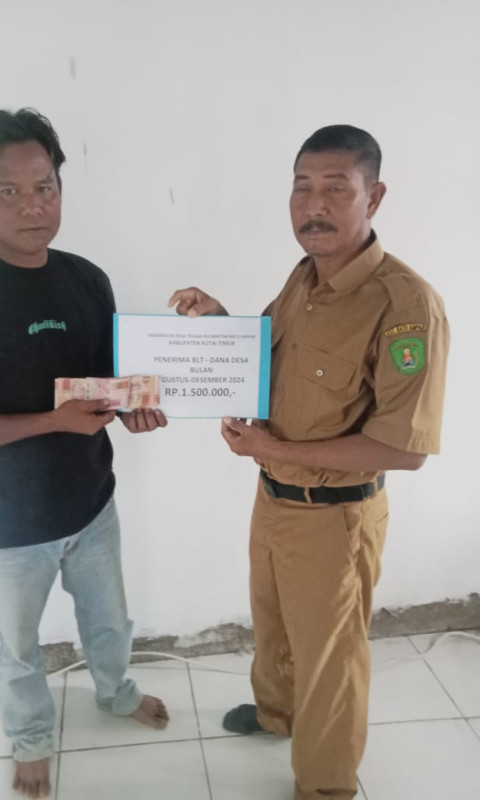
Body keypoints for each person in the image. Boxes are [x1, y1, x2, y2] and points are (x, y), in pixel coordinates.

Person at [168, 124, 449, 800]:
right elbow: (272, 359)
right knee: (273, 624)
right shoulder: (305, 277)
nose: (313, 205)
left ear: (373, 196)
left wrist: (275, 449)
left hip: (335, 519)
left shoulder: (406, 307)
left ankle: (325, 787)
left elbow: (404, 448)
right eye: (302, 188)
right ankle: (278, 715)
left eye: (335, 188)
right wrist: (220, 321)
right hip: (275, 499)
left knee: (329, 659)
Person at [0, 108, 168, 799]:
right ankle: (28, 738)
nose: (32, 206)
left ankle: (115, 693)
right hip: (10, 522)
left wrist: (137, 407)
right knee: (18, 646)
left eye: (45, 187)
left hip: (93, 503)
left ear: (60, 188)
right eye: (10, 191)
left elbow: (108, 386)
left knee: (109, 622)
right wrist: (50, 421)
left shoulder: (87, 279)